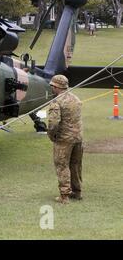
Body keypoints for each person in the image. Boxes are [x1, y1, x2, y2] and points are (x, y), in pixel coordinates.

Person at [47, 75, 83, 204]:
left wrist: (51, 135)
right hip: (78, 138)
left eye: (52, 86)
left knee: (62, 166)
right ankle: (77, 192)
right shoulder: (76, 98)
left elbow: (53, 123)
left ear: (56, 87)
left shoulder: (56, 102)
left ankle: (64, 195)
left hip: (64, 140)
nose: (51, 88)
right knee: (75, 165)